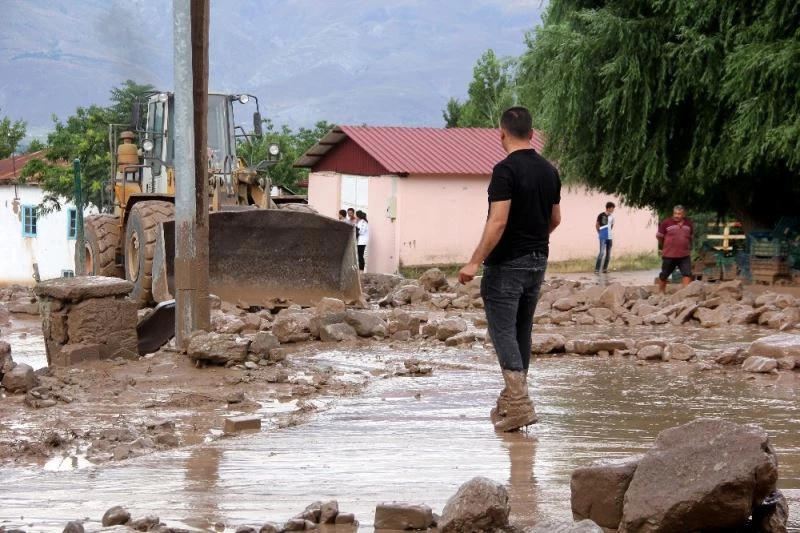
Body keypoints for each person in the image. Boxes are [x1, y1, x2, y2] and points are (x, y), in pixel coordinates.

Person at [458, 106, 561, 432]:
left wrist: (474, 261)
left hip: (506, 265)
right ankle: (511, 400)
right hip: (537, 261)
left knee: (502, 332)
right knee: (521, 331)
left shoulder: (504, 171)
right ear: (532, 134)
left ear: (501, 134)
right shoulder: (549, 171)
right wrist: (531, 239)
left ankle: (518, 404)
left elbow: (498, 221)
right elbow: (555, 220)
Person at [656, 205, 694, 292]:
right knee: (664, 274)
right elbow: (659, 236)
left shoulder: (689, 224)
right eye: (675, 213)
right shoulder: (666, 223)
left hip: (684, 255)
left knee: (687, 274)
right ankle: (661, 292)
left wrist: (688, 247)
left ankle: (686, 294)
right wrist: (665, 245)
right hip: (669, 254)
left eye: (679, 214)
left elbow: (690, 237)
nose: (677, 216)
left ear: (683, 214)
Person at [595, 201, 615, 273]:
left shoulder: (612, 217)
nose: (613, 210)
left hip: (610, 237)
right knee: (602, 253)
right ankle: (597, 269)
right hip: (603, 236)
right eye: (612, 208)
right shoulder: (601, 215)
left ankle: (605, 269)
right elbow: (597, 225)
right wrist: (600, 233)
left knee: (608, 254)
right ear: (608, 208)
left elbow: (611, 226)